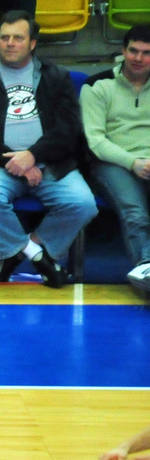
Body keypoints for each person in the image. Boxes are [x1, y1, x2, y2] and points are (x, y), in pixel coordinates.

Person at [0, 11, 95, 286]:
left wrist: (33, 156)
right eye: (4, 37)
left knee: (83, 205)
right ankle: (39, 257)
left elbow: (68, 131)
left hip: (51, 164)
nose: (9, 43)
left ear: (32, 43)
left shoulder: (56, 77)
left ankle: (13, 255)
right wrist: (16, 162)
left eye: (17, 38)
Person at [83, 27, 150, 295]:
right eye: (133, 50)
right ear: (123, 51)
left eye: (146, 53)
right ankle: (146, 269)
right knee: (135, 212)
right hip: (111, 161)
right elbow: (96, 141)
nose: (138, 58)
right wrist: (133, 162)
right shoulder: (97, 85)